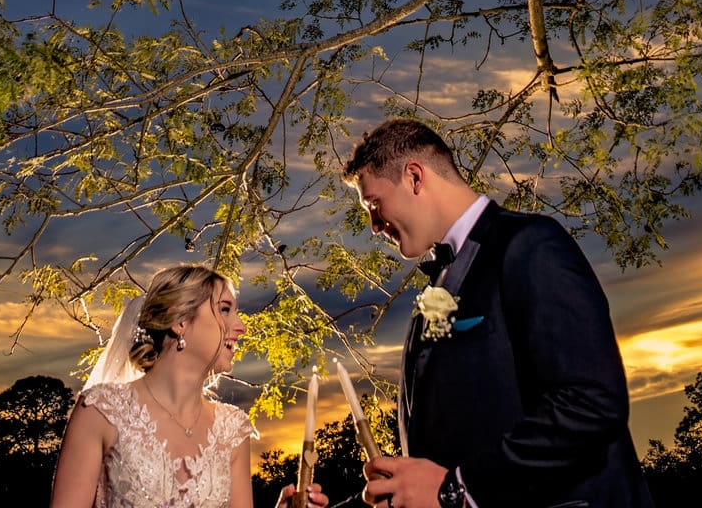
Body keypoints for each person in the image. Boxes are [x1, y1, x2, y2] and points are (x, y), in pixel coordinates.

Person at [347, 119, 652, 508]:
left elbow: (591, 403)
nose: (373, 226)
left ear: (414, 177)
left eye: (373, 204)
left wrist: (456, 489)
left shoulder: (531, 246)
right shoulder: (436, 288)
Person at [49, 262, 329, 508]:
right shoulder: (101, 411)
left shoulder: (232, 429)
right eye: (225, 310)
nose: (241, 326)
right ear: (180, 321)